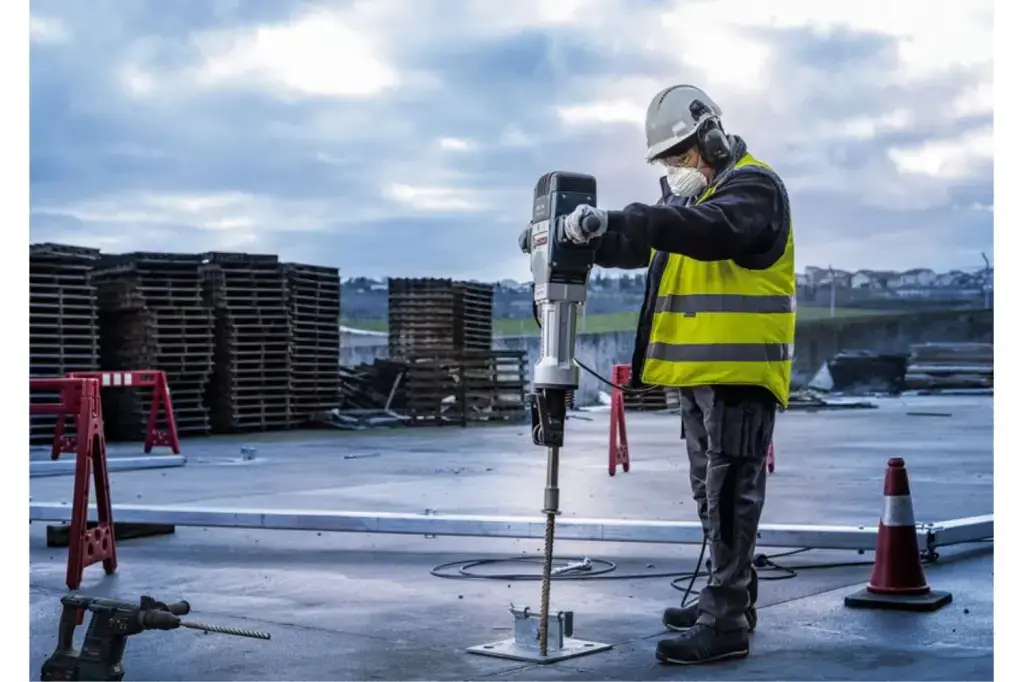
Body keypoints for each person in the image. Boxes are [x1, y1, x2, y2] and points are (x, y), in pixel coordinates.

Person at [548, 84, 796, 665]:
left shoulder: (753, 188)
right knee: (711, 498)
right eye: (667, 159)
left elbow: (710, 231)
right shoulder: (695, 201)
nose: (675, 168)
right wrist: (580, 238)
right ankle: (731, 597)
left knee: (732, 496)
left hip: (740, 374)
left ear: (711, 138)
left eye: (681, 155)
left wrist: (624, 216)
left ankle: (725, 625)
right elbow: (646, 243)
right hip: (699, 376)